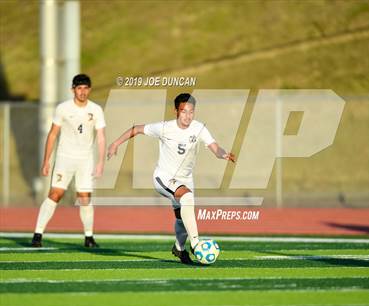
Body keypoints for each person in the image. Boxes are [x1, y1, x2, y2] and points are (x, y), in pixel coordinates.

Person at [107, 93, 235, 264]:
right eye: (183, 111)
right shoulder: (164, 128)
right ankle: (196, 243)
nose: (188, 116)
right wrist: (115, 143)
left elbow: (214, 147)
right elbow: (136, 129)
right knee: (187, 198)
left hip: (186, 179)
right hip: (164, 177)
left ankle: (179, 249)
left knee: (182, 218)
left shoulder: (199, 128)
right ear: (176, 111)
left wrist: (223, 154)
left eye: (191, 112)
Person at [31, 74, 106, 248]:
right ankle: (37, 234)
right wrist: (46, 161)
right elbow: (53, 134)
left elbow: (101, 137)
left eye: (86, 88)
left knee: (85, 197)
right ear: (73, 89)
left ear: (90, 89)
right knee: (55, 194)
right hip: (65, 158)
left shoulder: (95, 110)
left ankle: (89, 237)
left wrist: (101, 162)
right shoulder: (63, 108)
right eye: (79, 88)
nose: (82, 91)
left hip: (85, 160)